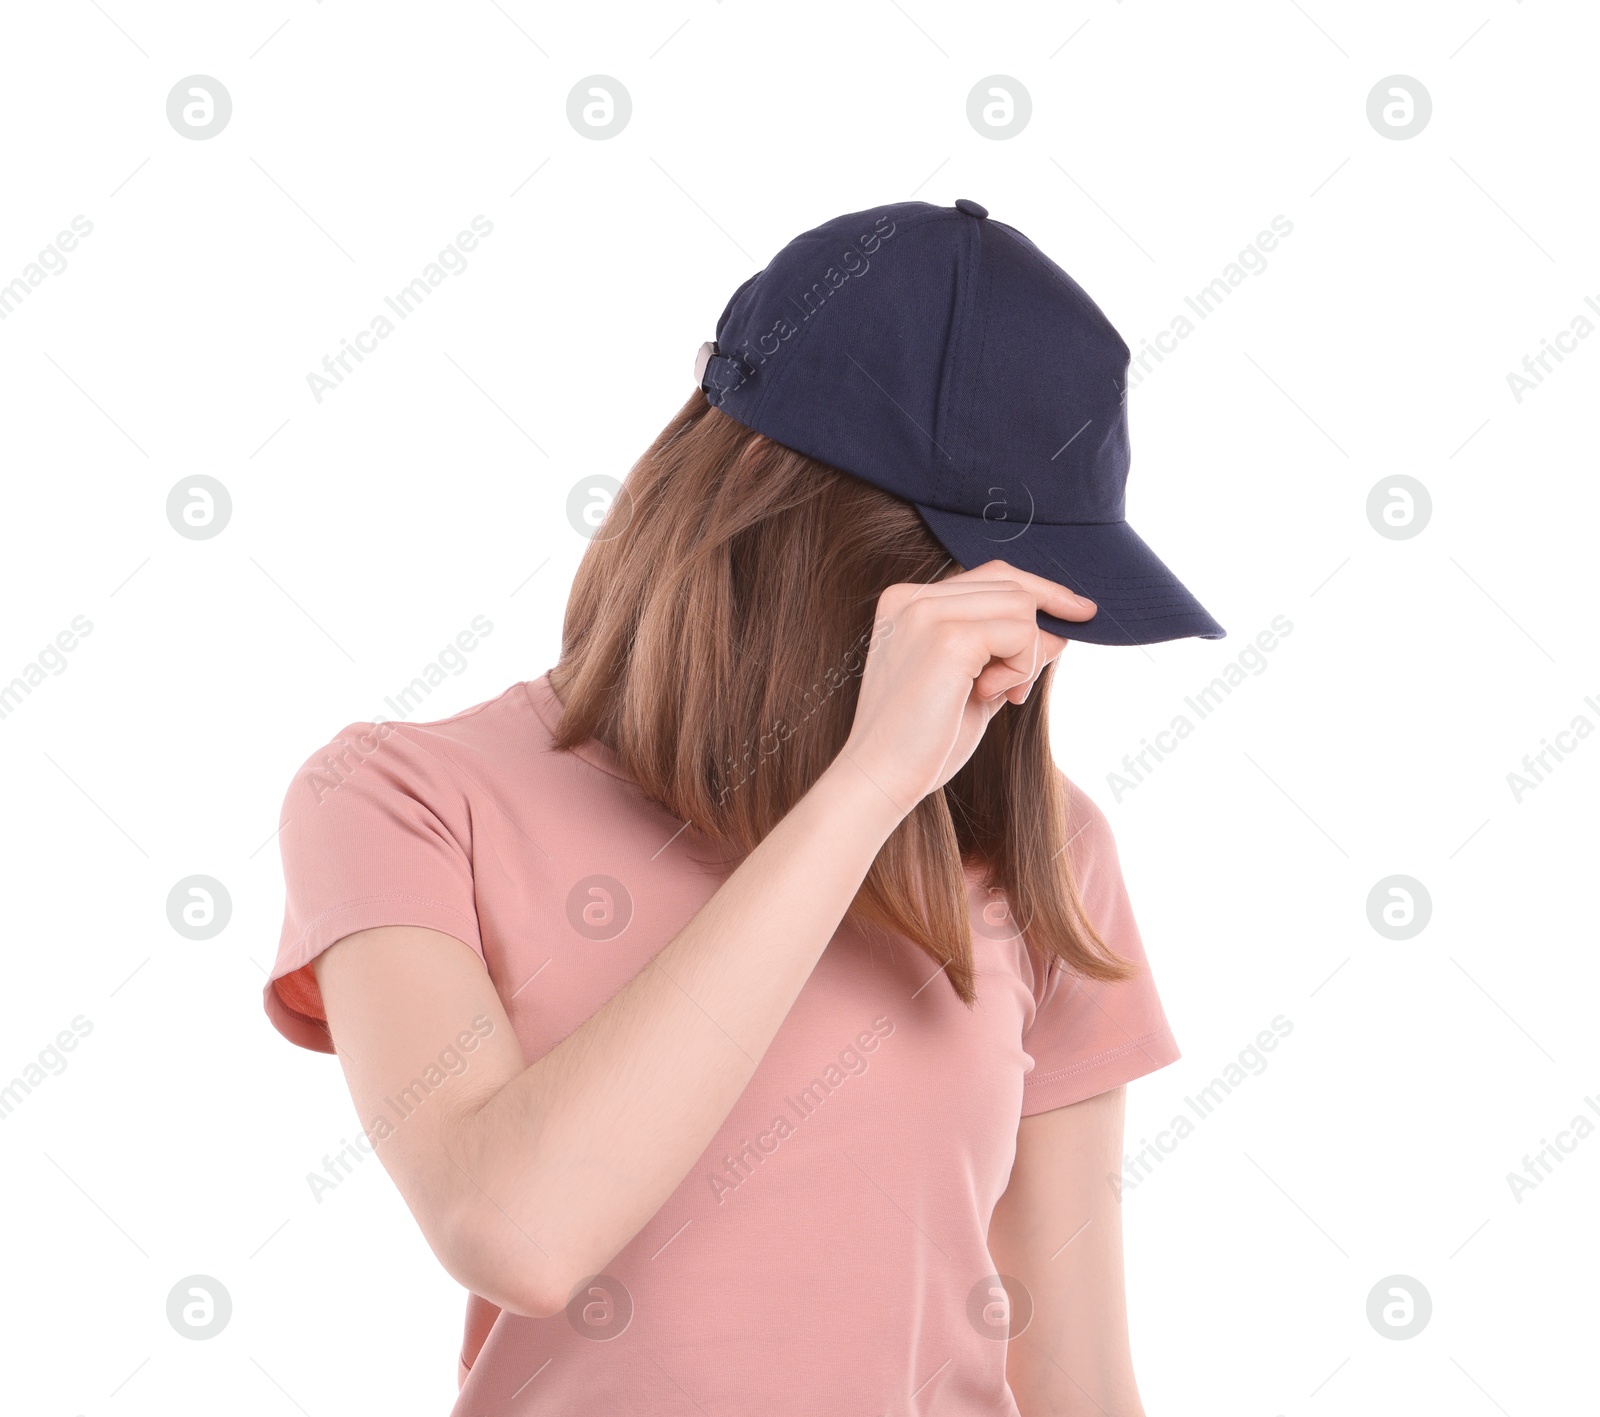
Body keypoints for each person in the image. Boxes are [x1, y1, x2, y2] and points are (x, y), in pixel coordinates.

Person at [264, 197, 1226, 1416]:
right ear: (783, 530)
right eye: (970, 603)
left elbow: (1076, 1375)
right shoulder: (404, 800)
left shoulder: (1045, 843)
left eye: (1047, 612)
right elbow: (515, 1226)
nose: (1017, 662)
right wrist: (862, 790)